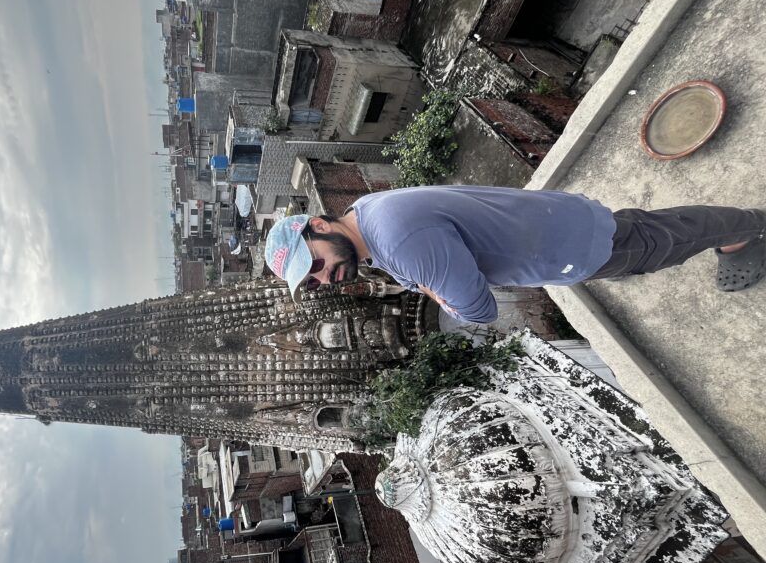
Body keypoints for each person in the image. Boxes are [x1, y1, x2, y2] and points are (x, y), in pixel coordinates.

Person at [264, 185, 766, 324]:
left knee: (665, 241)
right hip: (554, 227)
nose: (325, 277)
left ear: (320, 225)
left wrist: (444, 296)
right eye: (313, 282)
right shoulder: (368, 218)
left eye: (316, 264)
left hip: (570, 244)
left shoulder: (398, 242)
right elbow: (431, 279)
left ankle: (745, 230)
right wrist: (436, 285)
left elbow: (478, 309)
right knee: (655, 232)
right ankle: (731, 232)